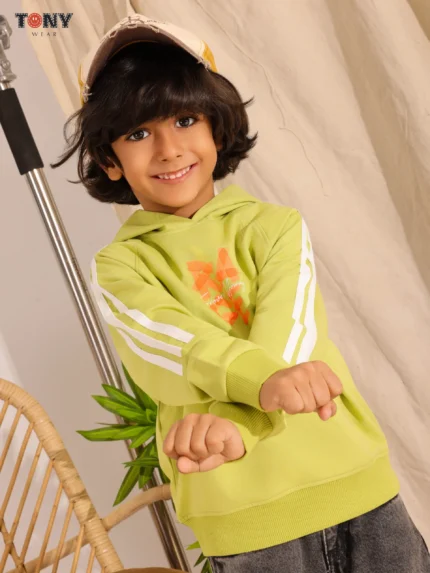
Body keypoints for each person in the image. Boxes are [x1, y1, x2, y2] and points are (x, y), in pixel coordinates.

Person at [52, 14, 429, 573]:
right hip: (243, 513)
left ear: (218, 130)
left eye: (185, 120)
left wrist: (238, 423)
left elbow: (291, 332)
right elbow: (179, 348)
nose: (168, 149)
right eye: (137, 133)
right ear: (110, 161)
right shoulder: (119, 267)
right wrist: (262, 392)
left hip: (353, 480)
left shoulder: (276, 226)